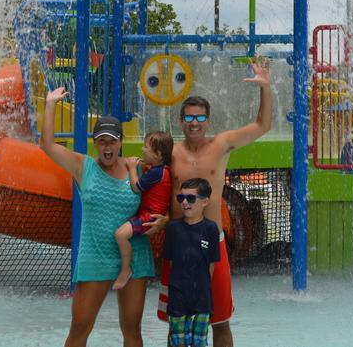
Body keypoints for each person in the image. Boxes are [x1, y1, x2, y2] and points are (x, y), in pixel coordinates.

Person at [154, 57, 273, 347]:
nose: (194, 124)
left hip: (212, 243)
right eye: (189, 118)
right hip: (178, 245)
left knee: (220, 322)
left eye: (200, 118)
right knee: (177, 322)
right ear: (181, 120)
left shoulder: (220, 145)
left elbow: (262, 125)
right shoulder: (171, 151)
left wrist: (265, 88)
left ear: (207, 121)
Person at [39, 86, 162, 347]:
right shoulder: (83, 166)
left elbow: (164, 196)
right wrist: (50, 104)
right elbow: (47, 145)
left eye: (112, 141)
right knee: (79, 329)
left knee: (132, 330)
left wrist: (164, 220)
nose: (108, 147)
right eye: (102, 141)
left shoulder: (138, 168)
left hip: (135, 256)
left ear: (120, 143)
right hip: (95, 256)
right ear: (96, 143)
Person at [162, 178, 221, 347]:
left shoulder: (210, 229)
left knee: (200, 341)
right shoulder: (173, 228)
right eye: (181, 198)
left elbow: (211, 264)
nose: (185, 202)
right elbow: (172, 262)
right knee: (177, 341)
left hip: (201, 299)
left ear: (205, 201)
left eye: (191, 198)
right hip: (177, 296)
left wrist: (202, 288)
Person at [112, 130, 173, 290]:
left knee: (120, 235)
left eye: (146, 147)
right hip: (150, 214)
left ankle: (126, 270)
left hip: (150, 217)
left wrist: (132, 168)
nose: (142, 150)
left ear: (158, 154)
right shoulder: (161, 169)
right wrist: (141, 164)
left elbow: (136, 187)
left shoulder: (155, 173)